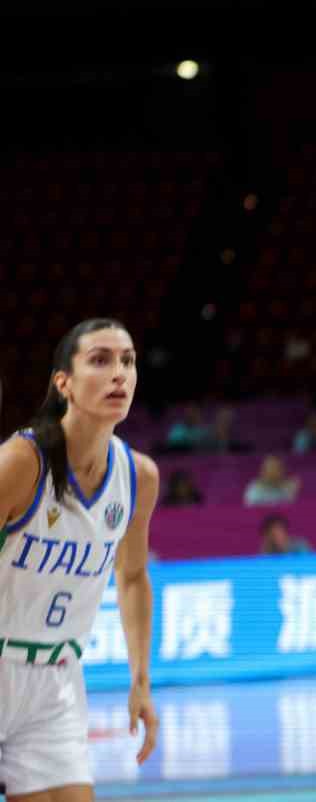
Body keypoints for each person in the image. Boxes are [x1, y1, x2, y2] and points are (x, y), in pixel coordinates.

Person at [0, 318, 161, 798]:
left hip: (55, 681)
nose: (120, 374)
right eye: (101, 360)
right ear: (63, 383)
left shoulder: (138, 476)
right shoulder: (21, 463)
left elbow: (132, 577)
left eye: (128, 361)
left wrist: (140, 681)